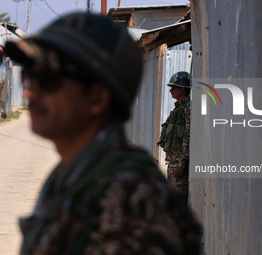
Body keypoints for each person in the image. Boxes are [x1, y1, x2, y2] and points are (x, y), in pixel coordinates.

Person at [5, 12, 201, 255]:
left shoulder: (133, 202)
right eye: (29, 76)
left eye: (46, 79)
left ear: (97, 98)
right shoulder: (74, 172)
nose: (29, 93)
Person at [157, 72, 191, 203]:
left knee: (178, 202)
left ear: (182, 89)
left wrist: (181, 163)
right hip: (172, 162)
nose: (170, 90)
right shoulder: (178, 108)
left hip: (178, 165)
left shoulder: (188, 108)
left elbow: (187, 137)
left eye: (173, 88)